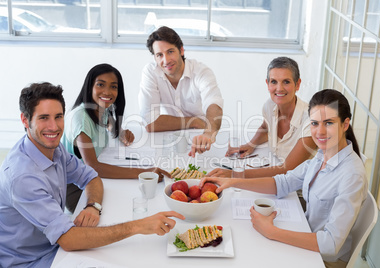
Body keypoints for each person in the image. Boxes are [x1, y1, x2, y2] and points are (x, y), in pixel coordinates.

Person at [0, 82, 184, 267]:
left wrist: (93, 206)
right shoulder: (22, 177)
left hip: (55, 247)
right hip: (32, 261)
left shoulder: (53, 149)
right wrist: (138, 226)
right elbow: (69, 239)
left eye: (58, 117)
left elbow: (91, 176)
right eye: (44, 118)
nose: (54, 126)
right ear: (25, 120)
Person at [200, 89, 368, 268]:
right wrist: (234, 181)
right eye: (314, 123)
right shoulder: (323, 155)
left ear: (345, 124)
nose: (319, 131)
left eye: (328, 123)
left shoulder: (351, 175)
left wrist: (272, 231)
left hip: (321, 260)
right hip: (305, 238)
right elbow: (284, 182)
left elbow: (330, 244)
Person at [62, 63, 170, 213]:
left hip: (94, 178)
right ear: (89, 87)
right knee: (127, 207)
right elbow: (92, 166)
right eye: (100, 84)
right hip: (77, 188)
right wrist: (144, 171)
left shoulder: (101, 109)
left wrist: (121, 132)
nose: (107, 91)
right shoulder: (80, 118)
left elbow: (110, 124)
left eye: (113, 87)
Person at [209, 57, 316, 178]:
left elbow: (287, 169)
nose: (279, 88)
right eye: (274, 82)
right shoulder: (270, 105)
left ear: (297, 84)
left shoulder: (311, 121)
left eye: (286, 82)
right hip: (276, 174)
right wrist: (251, 144)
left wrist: (236, 174)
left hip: (300, 190)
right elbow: (266, 127)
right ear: (267, 83)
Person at [139, 26, 224, 157]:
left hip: (201, 137)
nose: (166, 60)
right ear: (155, 58)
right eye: (159, 55)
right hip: (171, 137)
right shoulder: (151, 72)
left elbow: (214, 104)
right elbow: (149, 123)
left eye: (170, 52)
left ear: (181, 50)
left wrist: (208, 133)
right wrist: (193, 121)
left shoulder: (201, 71)